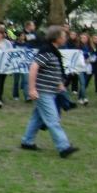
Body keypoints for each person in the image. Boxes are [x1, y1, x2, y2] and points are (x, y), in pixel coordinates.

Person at [20, 25, 79, 158]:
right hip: (43, 92)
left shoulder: (54, 51)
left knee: (37, 118)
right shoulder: (46, 51)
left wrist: (59, 84)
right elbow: (34, 67)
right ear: (56, 38)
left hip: (50, 91)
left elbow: (53, 70)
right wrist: (32, 89)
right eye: (63, 36)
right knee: (52, 119)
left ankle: (27, 141)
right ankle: (64, 147)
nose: (66, 38)